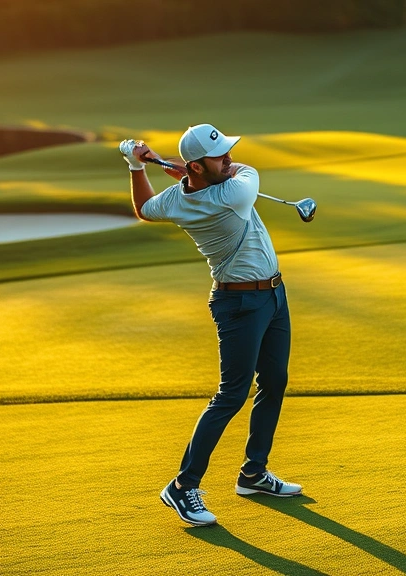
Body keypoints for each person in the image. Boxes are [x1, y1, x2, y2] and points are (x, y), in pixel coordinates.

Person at [119, 124, 302, 528]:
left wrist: (136, 166)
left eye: (228, 153)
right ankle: (183, 486)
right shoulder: (236, 190)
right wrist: (185, 171)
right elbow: (244, 174)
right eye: (221, 157)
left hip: (273, 294)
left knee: (274, 380)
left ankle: (253, 473)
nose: (230, 159)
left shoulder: (177, 198)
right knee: (231, 395)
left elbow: (145, 208)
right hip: (240, 303)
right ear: (199, 166)